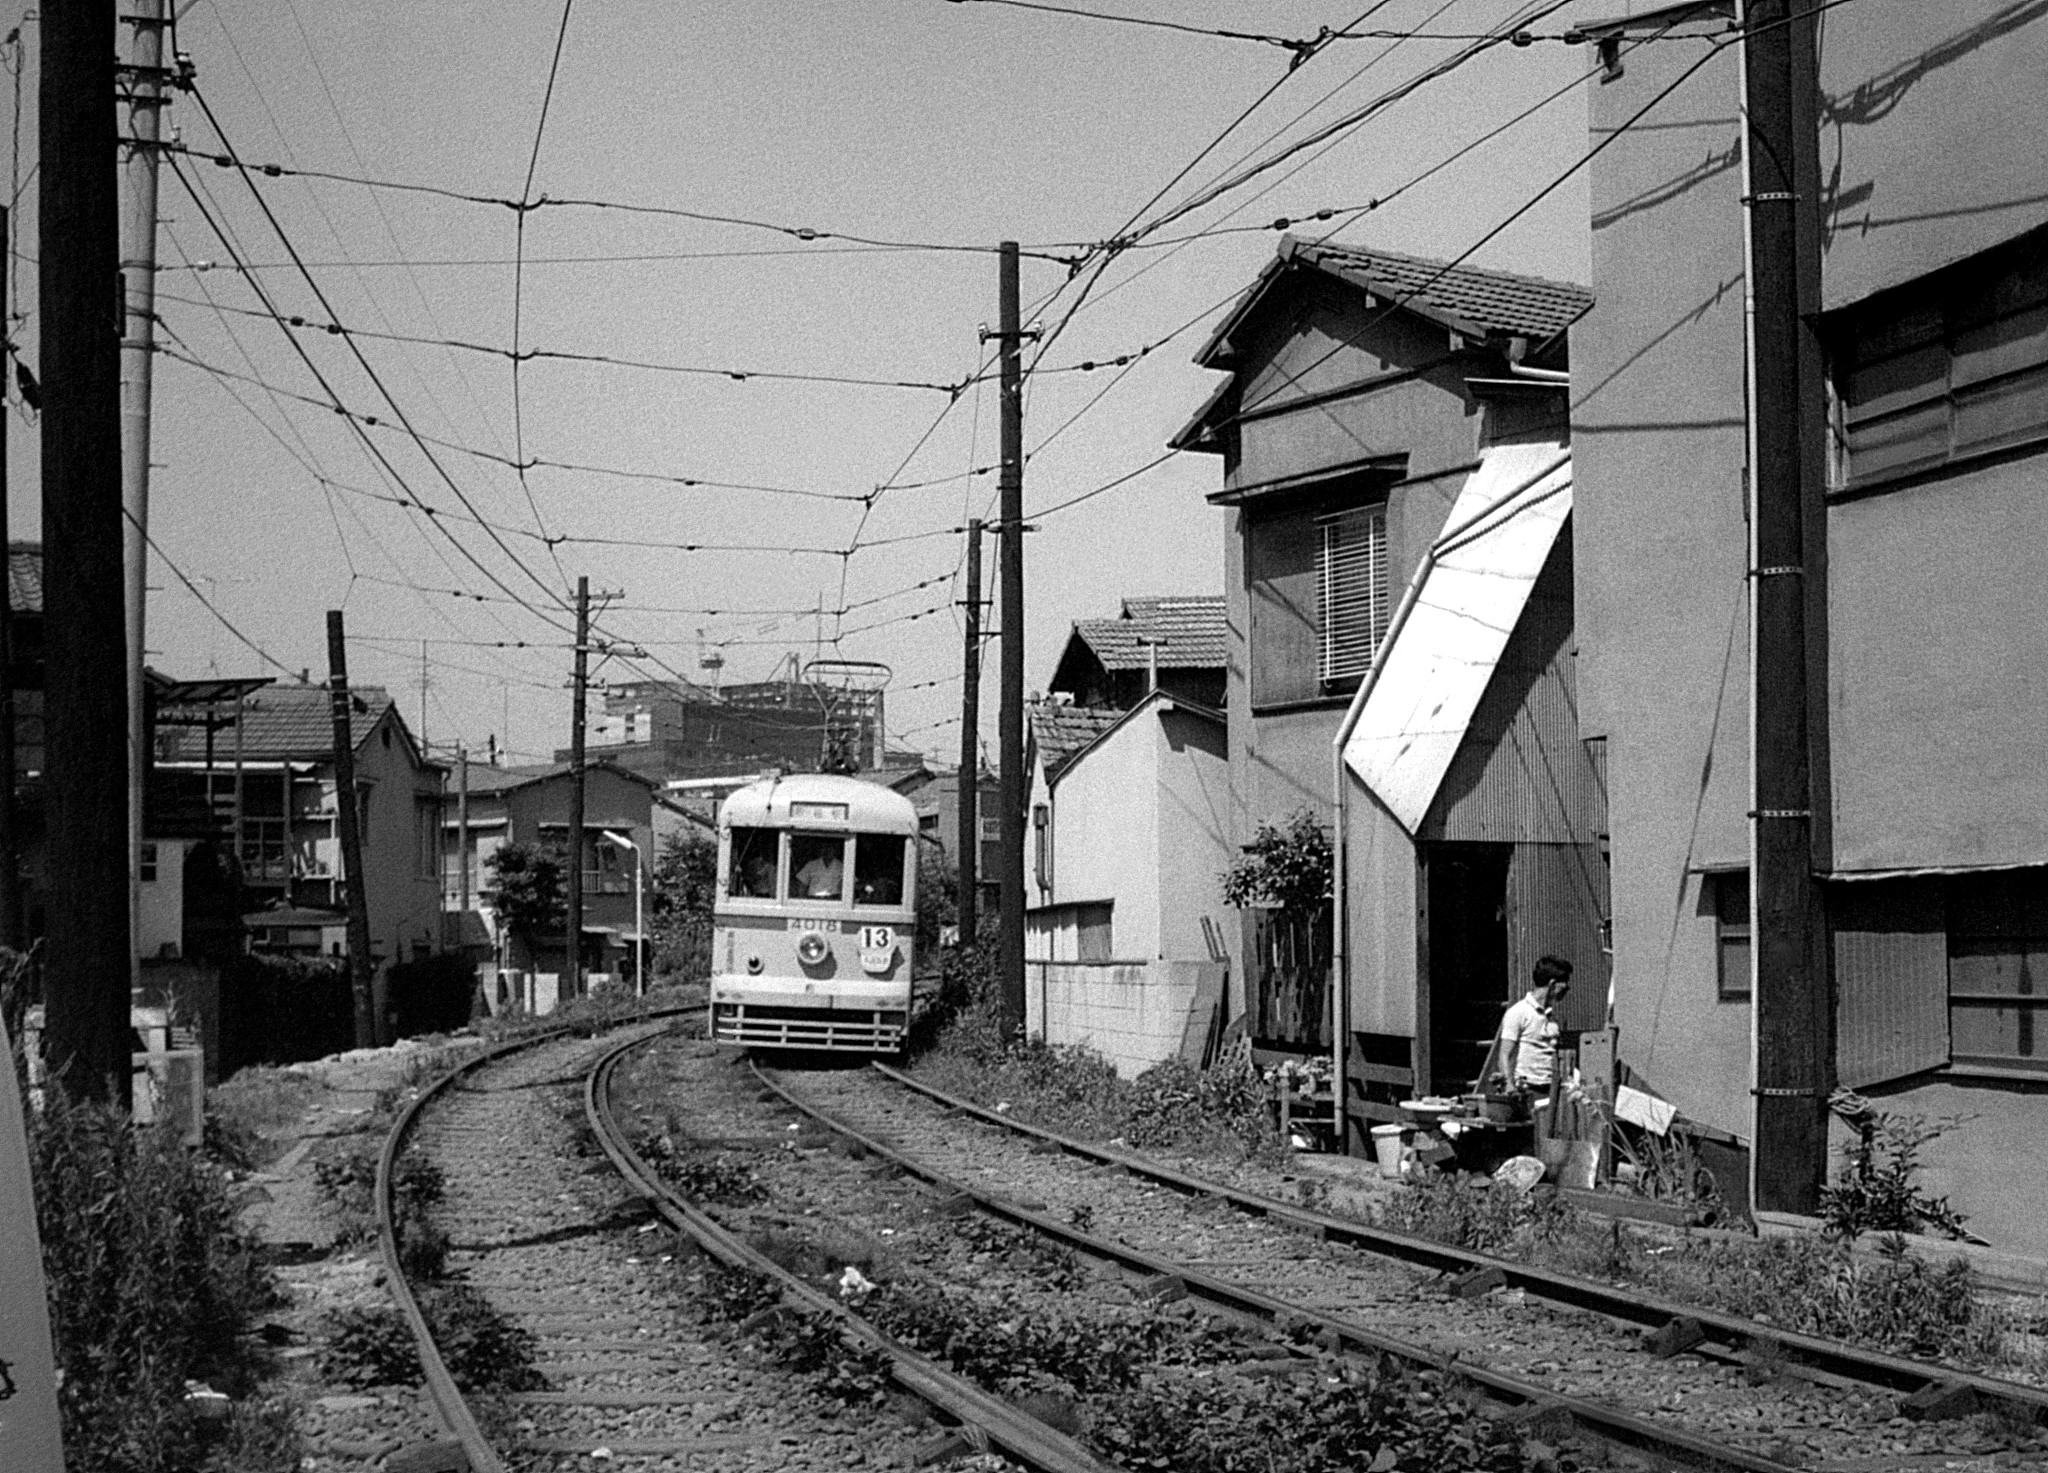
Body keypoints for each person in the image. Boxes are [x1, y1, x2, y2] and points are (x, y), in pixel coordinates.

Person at [1496, 955, 1572, 1098]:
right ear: (1553, 983)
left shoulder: (1552, 1016)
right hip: (1528, 1090)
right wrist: (1509, 1085)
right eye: (1565, 983)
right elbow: (1504, 1054)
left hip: (1552, 1089)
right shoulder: (1519, 1013)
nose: (1567, 988)